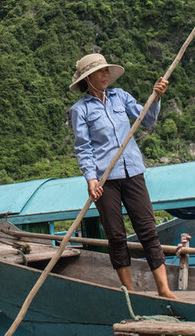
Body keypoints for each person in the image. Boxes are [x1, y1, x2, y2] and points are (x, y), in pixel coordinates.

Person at [69, 53, 176, 299]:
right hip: (105, 180)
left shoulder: (121, 97)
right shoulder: (80, 110)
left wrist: (156, 96)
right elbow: (83, 148)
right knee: (116, 235)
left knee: (148, 230)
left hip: (132, 171)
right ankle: (130, 291)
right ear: (88, 78)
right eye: (100, 72)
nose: (106, 75)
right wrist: (91, 179)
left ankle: (164, 289)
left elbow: (146, 119)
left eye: (107, 71)